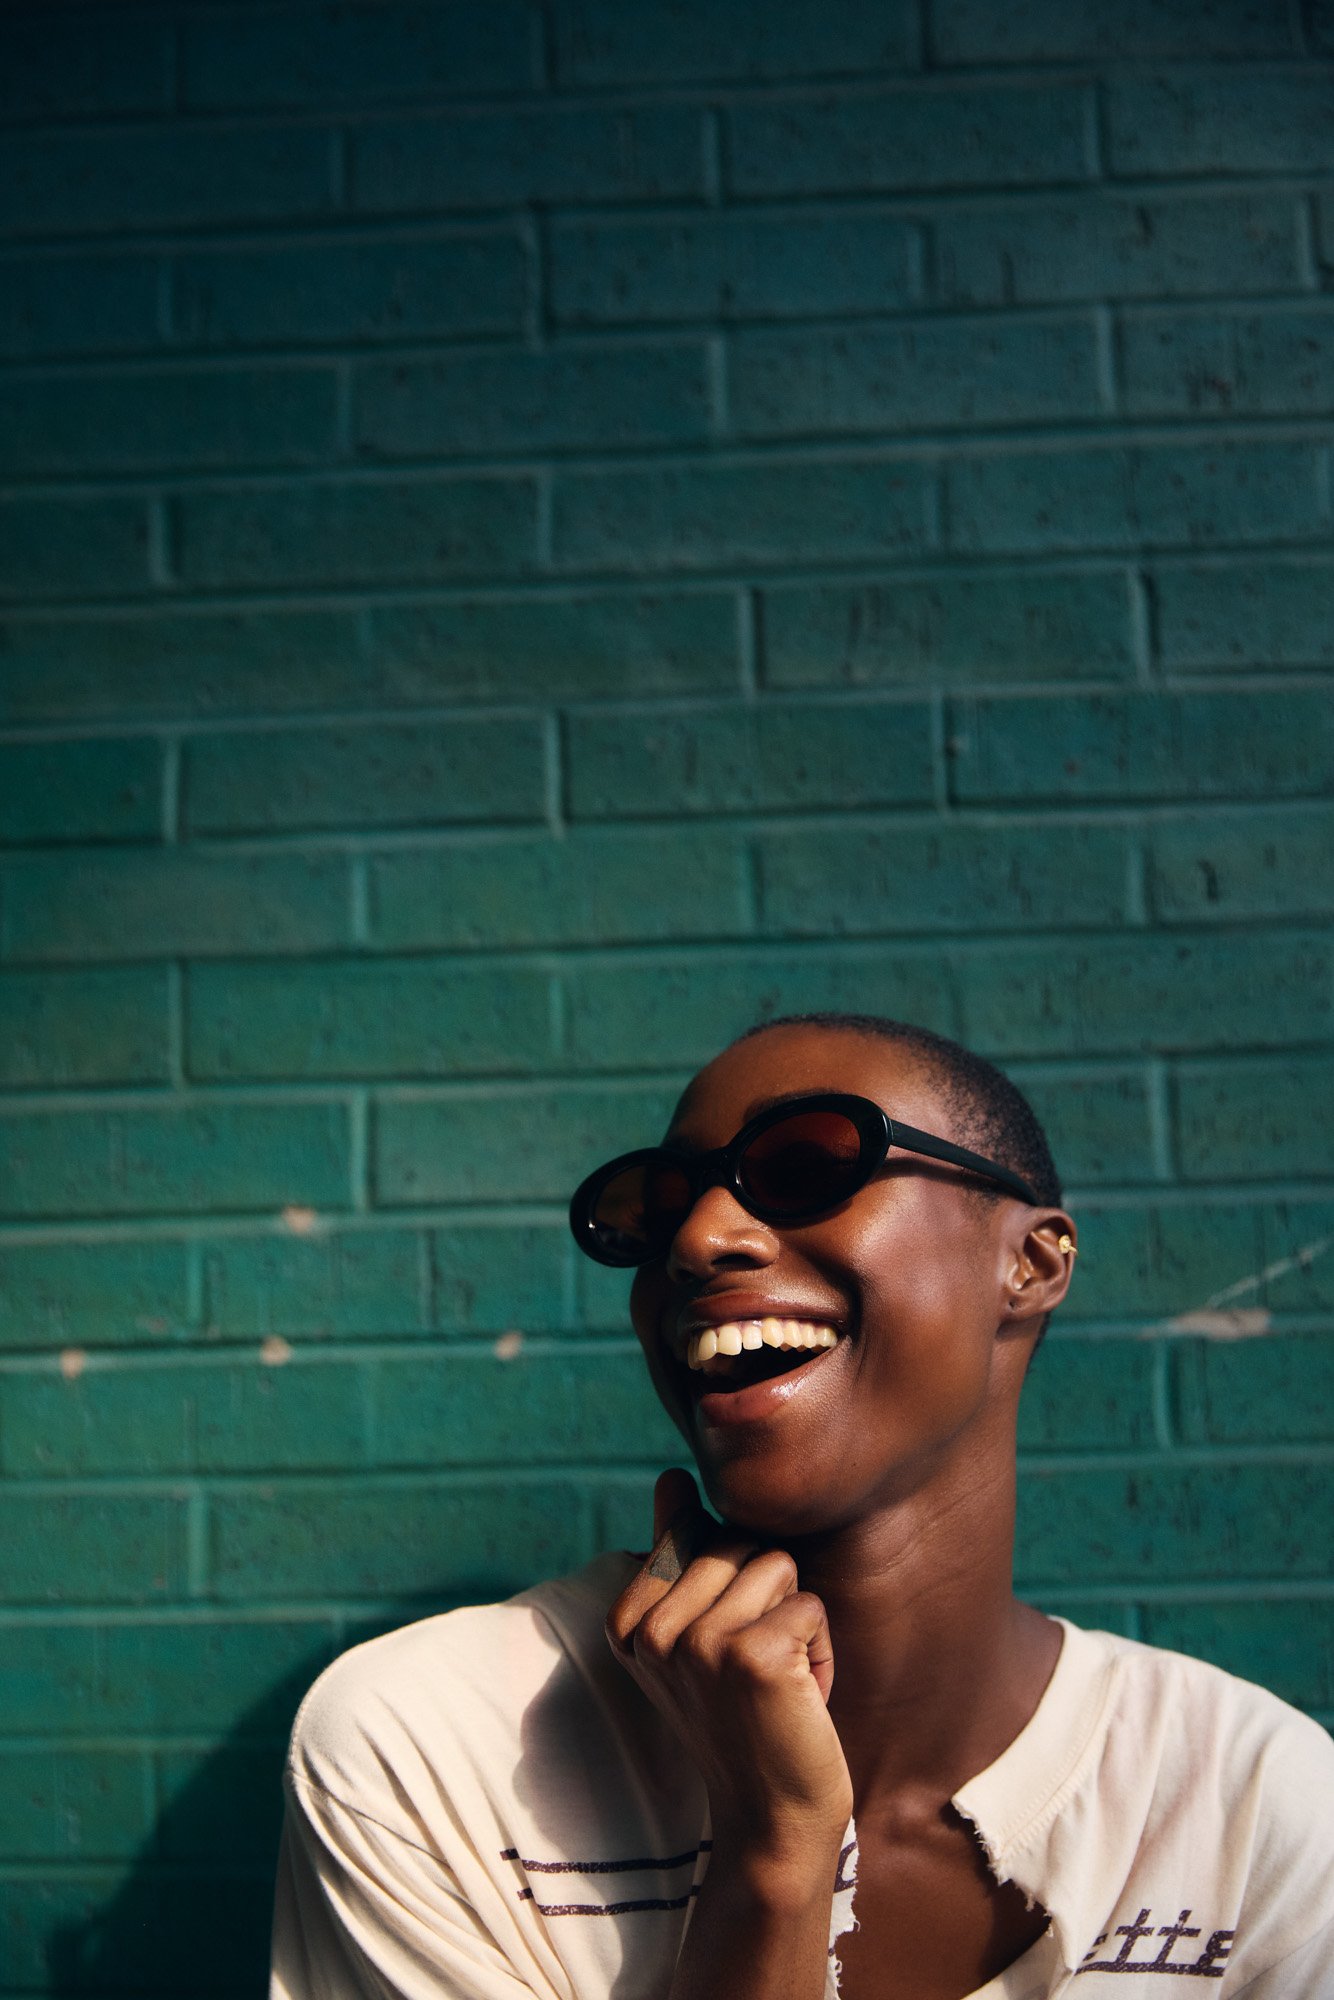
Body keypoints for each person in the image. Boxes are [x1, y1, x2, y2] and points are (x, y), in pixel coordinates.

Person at [269, 1014, 1334, 2000]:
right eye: (660, 1206)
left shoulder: (1251, 1812)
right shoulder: (429, 1749)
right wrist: (774, 1851)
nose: (696, 1240)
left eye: (806, 1168)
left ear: (1029, 1259)